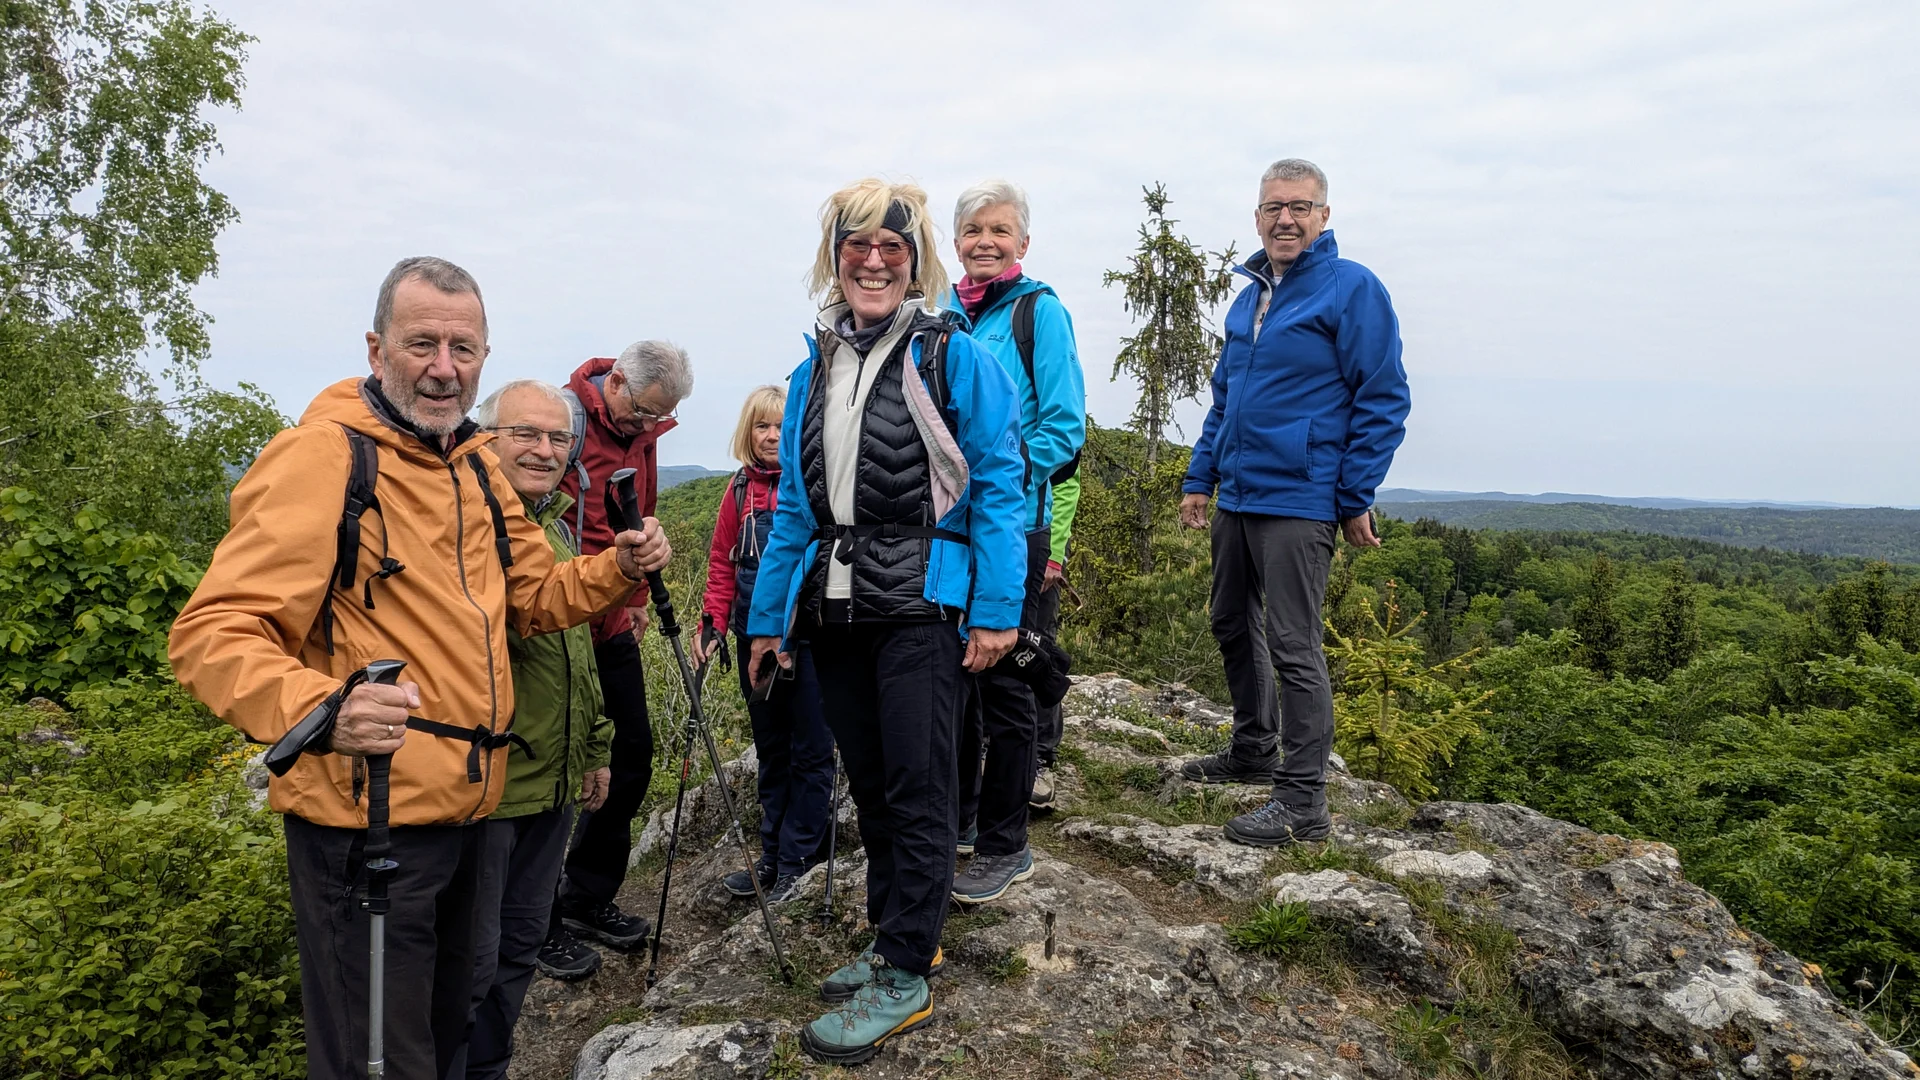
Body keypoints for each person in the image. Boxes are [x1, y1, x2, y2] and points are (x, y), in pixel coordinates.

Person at [167, 257, 671, 1080]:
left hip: (473, 810)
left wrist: (617, 566)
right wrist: (326, 708)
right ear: (376, 350)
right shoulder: (322, 459)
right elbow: (212, 631)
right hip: (366, 821)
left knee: (449, 1032)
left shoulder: (475, 462)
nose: (445, 367)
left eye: (464, 348)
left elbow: (534, 599)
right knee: (378, 1056)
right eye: (423, 343)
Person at [746, 178, 1025, 1065]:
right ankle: (899, 936)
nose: (873, 259)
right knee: (869, 783)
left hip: (925, 605)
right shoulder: (811, 370)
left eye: (891, 246)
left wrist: (996, 610)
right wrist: (767, 621)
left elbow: (1003, 482)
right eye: (856, 244)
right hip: (835, 609)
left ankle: (905, 972)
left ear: (917, 260)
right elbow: (796, 505)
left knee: (920, 784)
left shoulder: (955, 356)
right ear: (834, 256)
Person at [1178, 158, 1411, 848]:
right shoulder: (1248, 299)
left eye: (1300, 207)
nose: (1286, 218)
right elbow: (1227, 402)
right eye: (1274, 207)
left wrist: (1351, 495)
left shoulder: (1351, 289)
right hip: (1241, 493)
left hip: (1300, 498)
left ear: (1323, 217)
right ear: (1256, 217)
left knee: (1293, 645)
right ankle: (1253, 747)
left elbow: (1384, 397)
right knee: (1228, 619)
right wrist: (1200, 477)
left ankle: (1303, 801)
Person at [456, 380, 615, 1079]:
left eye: (557, 439)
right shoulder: (458, 526)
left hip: (549, 783)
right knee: (469, 960)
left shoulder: (549, 525)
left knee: (519, 945)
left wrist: (594, 747)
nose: (545, 450)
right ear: (485, 438)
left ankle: (490, 1066)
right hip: (486, 791)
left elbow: (573, 650)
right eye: (527, 433)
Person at [943, 179, 1086, 903]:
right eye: (973, 231)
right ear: (956, 242)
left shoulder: (1039, 314)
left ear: (1022, 244)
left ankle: (1008, 844)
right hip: (947, 531)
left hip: (1014, 527)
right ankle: (963, 822)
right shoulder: (943, 320)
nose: (986, 242)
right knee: (957, 680)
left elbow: (1064, 426)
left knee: (1005, 686)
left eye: (1000, 231)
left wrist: (998, 474)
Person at [553, 340, 693, 954]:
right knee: (550, 769)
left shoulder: (643, 430)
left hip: (610, 619)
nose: (647, 427)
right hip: (550, 625)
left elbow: (644, 512)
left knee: (632, 753)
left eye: (659, 418)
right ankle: (529, 924)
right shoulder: (560, 420)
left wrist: (634, 598)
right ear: (614, 384)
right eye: (642, 414)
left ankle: (582, 899)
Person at [688, 386, 835, 902]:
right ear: (747, 433)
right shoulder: (736, 492)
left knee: (812, 751)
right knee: (772, 750)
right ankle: (773, 857)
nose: (772, 436)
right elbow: (722, 564)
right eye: (761, 426)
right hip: (755, 640)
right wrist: (711, 622)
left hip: (811, 641)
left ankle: (799, 859)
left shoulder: (815, 487)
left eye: (780, 426)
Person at [1029, 471, 1081, 808]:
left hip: (1040, 540)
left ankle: (1041, 760)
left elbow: (1065, 483)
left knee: (1038, 651)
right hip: (995, 538)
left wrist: (1053, 553)